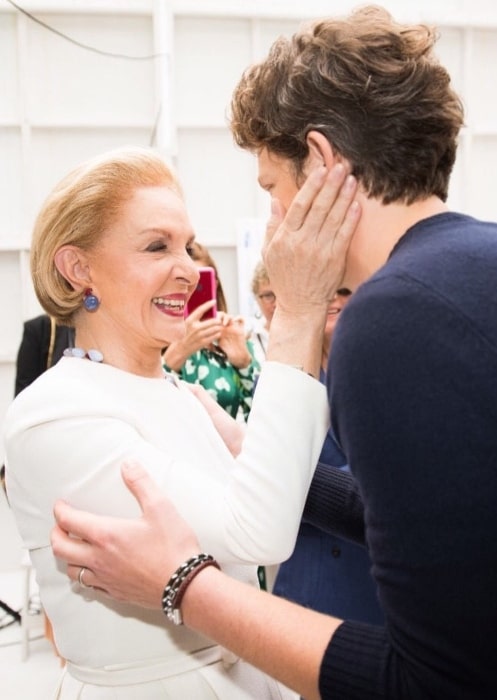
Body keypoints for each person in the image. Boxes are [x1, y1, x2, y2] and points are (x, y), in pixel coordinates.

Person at [47, 5, 497, 700]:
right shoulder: (476, 262)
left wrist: (182, 587)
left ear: (319, 166)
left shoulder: (392, 317)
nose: (272, 218)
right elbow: (449, 520)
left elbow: (435, 682)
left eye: (271, 189)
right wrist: (248, 450)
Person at [2, 145, 356, 698]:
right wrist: (298, 307)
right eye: (156, 246)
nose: (190, 270)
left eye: (188, 246)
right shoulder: (53, 415)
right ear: (78, 268)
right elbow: (257, 534)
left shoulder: (177, 392)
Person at [273, 287, 384, 624]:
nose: (333, 300)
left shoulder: (393, 372)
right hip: (309, 580)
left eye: (344, 290)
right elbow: (270, 473)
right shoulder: (280, 379)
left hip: (373, 581)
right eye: (325, 290)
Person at [163, 241, 260, 421]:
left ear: (214, 284)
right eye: (182, 282)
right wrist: (174, 357)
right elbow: (146, 407)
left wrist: (244, 363)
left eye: (200, 283)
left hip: (227, 448)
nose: (190, 291)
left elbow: (261, 419)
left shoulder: (231, 336)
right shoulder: (155, 340)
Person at [247, 260, 275, 366]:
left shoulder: (308, 336)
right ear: (256, 298)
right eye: (268, 296)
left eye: (282, 295)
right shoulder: (248, 338)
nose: (277, 303)